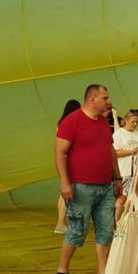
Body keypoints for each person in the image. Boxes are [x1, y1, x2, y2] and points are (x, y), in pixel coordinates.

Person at [51, 85, 122, 274]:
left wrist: (117, 177)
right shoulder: (72, 121)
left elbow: (110, 149)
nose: (108, 102)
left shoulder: (102, 122)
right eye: (104, 98)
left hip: (105, 186)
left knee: (106, 230)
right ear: (92, 99)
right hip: (80, 186)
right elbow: (59, 152)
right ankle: (61, 272)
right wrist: (65, 182)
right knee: (77, 230)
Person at [54, 99, 81, 234]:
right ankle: (61, 222)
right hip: (68, 160)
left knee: (64, 191)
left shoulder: (60, 123)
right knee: (67, 192)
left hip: (60, 159)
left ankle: (61, 222)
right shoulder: (71, 123)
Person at [112, 109, 138, 221]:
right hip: (124, 171)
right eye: (133, 122)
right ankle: (116, 223)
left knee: (135, 198)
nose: (135, 124)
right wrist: (131, 152)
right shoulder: (119, 134)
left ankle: (127, 221)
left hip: (136, 172)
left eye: (137, 122)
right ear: (126, 120)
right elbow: (114, 152)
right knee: (121, 198)